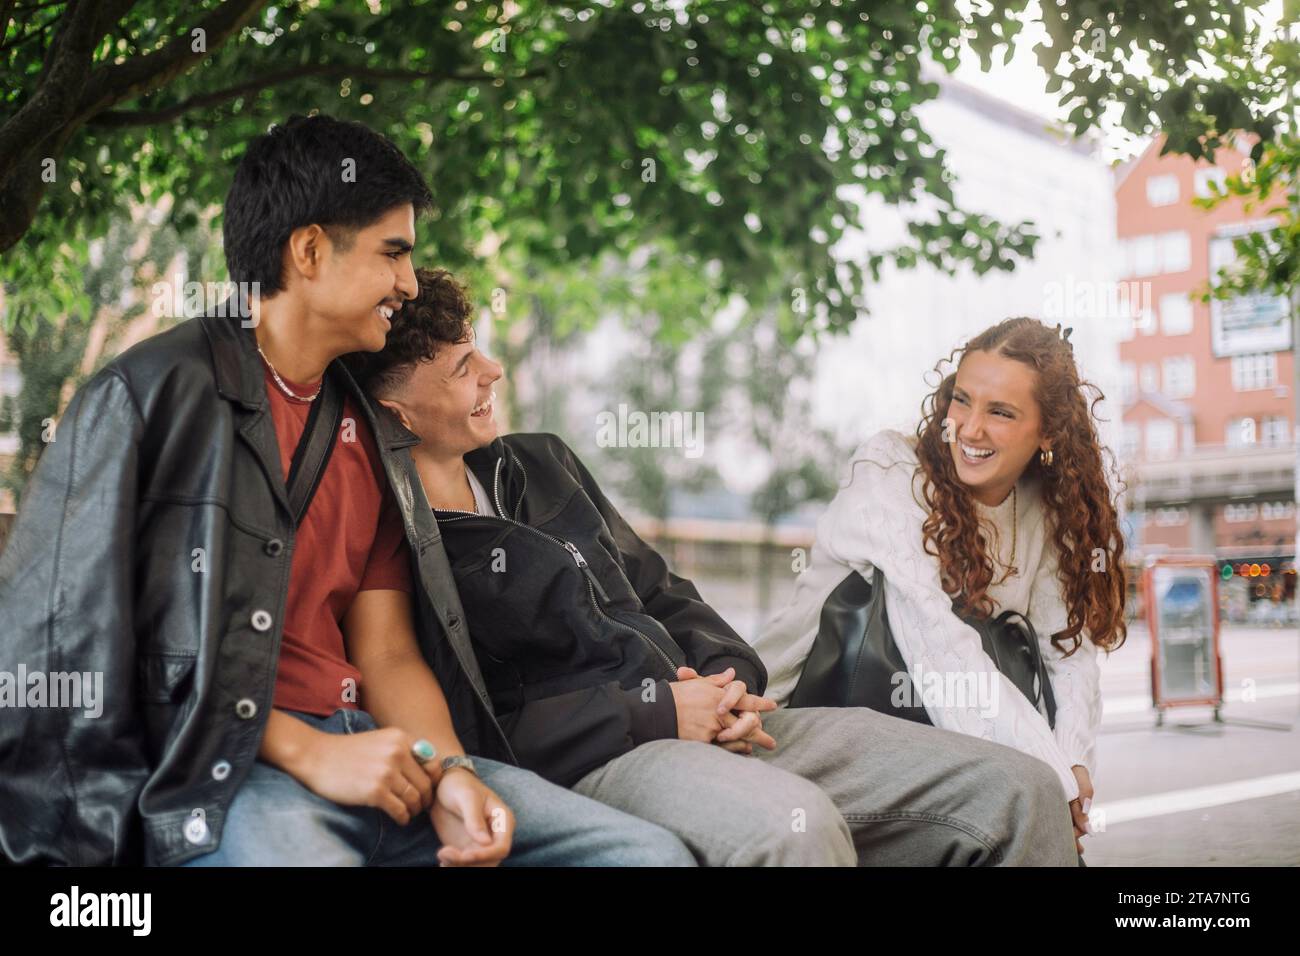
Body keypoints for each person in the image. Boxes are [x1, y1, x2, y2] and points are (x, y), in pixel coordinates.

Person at [0, 114, 693, 868]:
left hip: (381, 761)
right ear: (309, 250)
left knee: (644, 855)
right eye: (393, 253)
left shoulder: (372, 433)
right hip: (221, 776)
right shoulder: (148, 397)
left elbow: (389, 653)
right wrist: (305, 750)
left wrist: (452, 772)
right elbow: (73, 646)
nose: (408, 281)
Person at [345, 270, 1083, 866]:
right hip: (613, 755)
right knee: (795, 831)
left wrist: (730, 680)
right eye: (461, 367)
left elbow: (663, 592)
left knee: (1016, 789)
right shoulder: (400, 537)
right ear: (398, 410)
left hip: (729, 719)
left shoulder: (538, 461)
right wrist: (660, 711)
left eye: (481, 348)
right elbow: (480, 724)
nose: (493, 370)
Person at [755, 317, 1128, 859]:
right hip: (808, 720)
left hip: (947, 736)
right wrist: (1052, 784)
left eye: (1000, 412)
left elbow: (1067, 652)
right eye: (962, 400)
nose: (970, 429)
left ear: (1049, 432)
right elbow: (937, 648)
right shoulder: (890, 470)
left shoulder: (1045, 510)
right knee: (1028, 807)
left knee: (1034, 809)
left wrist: (1071, 763)